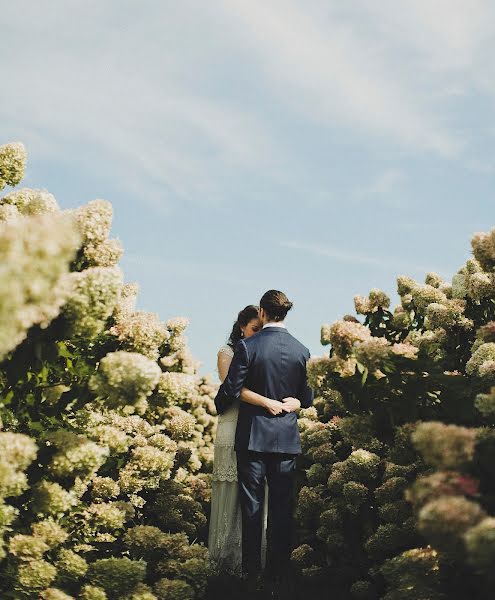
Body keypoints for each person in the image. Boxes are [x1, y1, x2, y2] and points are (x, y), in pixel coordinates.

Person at [214, 290, 313, 596]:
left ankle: (251, 573)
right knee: (282, 509)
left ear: (262, 311)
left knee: (252, 507)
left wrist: (219, 404)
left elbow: (231, 388)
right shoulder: (301, 349)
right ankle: (278, 574)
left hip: (253, 437)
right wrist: (296, 403)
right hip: (285, 438)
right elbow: (306, 397)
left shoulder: (248, 346)